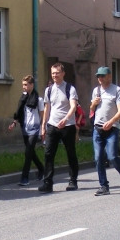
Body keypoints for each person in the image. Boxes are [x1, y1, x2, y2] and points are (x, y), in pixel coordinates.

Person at [38, 63, 79, 193]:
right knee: (48, 154)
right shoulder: (49, 90)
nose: (55, 75)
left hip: (67, 126)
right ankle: (47, 183)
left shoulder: (70, 88)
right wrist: (43, 126)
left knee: (70, 153)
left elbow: (73, 106)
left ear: (63, 73)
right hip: (52, 125)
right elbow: (47, 108)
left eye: (57, 73)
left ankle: (73, 180)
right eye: (53, 73)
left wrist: (66, 119)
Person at [89, 67, 120, 195]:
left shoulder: (116, 90)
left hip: (112, 129)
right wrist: (93, 104)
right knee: (98, 158)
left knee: (112, 156)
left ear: (109, 76)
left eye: (102, 76)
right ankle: (104, 186)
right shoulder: (96, 90)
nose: (99, 78)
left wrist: (111, 122)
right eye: (98, 76)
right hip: (98, 129)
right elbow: (91, 109)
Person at [8, 75, 44, 186]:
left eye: (26, 85)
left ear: (32, 85)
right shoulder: (23, 98)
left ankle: (24, 177)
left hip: (34, 128)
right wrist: (14, 123)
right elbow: (19, 112)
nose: (24, 87)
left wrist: (43, 128)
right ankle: (42, 169)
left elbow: (42, 115)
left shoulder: (38, 99)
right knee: (31, 152)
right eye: (23, 84)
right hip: (25, 128)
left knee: (28, 152)